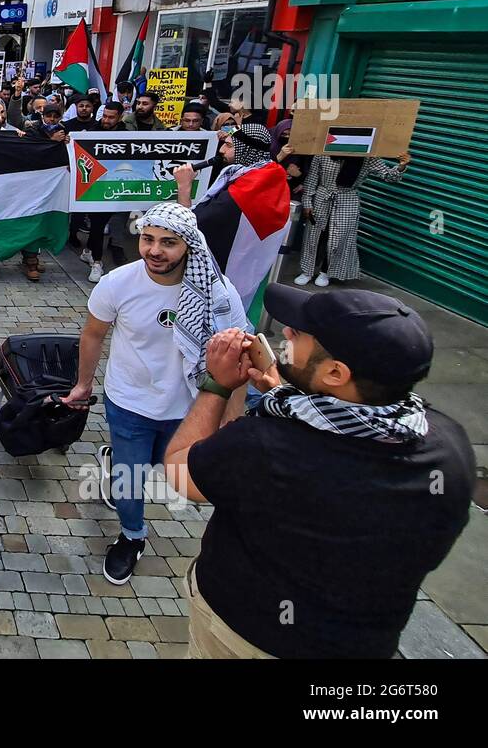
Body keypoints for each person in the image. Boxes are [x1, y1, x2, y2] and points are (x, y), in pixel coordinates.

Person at [163, 286, 473, 658]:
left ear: (335, 372)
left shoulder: (264, 446)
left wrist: (217, 385)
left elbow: (181, 470)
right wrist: (285, 393)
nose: (286, 333)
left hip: (243, 636)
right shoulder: (450, 446)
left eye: (301, 333)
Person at [62, 203, 248, 585]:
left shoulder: (220, 294)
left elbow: (239, 355)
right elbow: (93, 334)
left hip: (188, 407)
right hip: (129, 401)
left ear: (189, 247)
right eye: (148, 239)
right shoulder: (117, 283)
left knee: (170, 470)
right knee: (131, 482)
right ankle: (132, 535)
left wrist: (233, 415)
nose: (155, 250)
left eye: (169, 242)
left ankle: (116, 460)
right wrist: (84, 383)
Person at [175, 124, 291, 312]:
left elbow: (193, 224)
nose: (221, 150)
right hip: (248, 265)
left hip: (225, 269)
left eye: (229, 145)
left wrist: (184, 187)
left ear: (247, 150)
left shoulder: (249, 188)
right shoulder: (268, 173)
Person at [296, 152, 410, 288]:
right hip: (322, 197)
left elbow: (388, 175)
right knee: (313, 235)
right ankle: (307, 271)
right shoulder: (324, 152)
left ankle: (325, 272)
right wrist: (307, 201)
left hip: (347, 199)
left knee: (338, 239)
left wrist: (402, 166)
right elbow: (312, 178)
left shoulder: (368, 157)